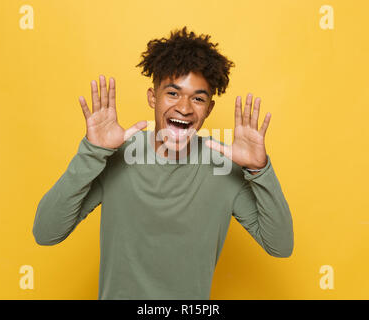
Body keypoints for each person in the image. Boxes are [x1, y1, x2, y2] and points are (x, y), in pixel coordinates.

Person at [32, 26, 294, 300]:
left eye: (198, 98)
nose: (184, 107)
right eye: (173, 93)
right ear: (152, 97)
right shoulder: (115, 156)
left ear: (209, 109)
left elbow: (280, 245)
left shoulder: (223, 167)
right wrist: (92, 152)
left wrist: (259, 169)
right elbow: (46, 232)